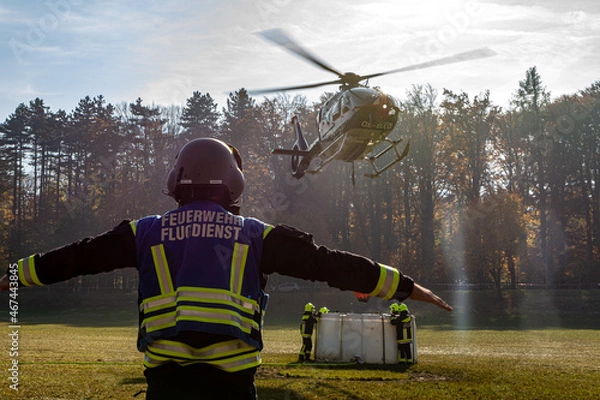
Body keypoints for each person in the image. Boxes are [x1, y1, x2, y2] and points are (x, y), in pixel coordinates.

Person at [0, 137, 452, 399]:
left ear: (177, 180)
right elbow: (330, 265)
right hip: (232, 390)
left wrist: (13, 276)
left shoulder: (144, 232)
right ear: (234, 183)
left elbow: (74, 257)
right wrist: (405, 286)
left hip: (166, 386)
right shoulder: (257, 235)